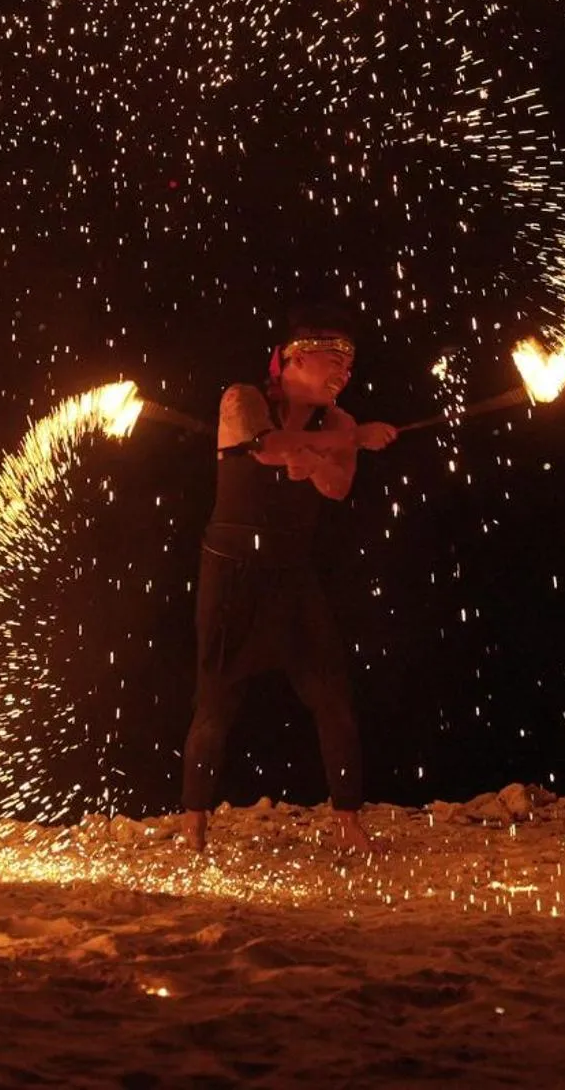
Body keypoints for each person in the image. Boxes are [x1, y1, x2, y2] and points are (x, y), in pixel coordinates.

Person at [181, 306, 398, 852]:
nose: (344, 374)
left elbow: (336, 489)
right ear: (295, 360)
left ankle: (349, 825)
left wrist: (322, 461)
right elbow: (267, 448)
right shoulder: (242, 399)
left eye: (350, 366)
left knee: (332, 695)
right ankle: (193, 828)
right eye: (333, 361)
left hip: (290, 572)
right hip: (231, 568)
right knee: (215, 703)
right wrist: (330, 447)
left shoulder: (341, 422)